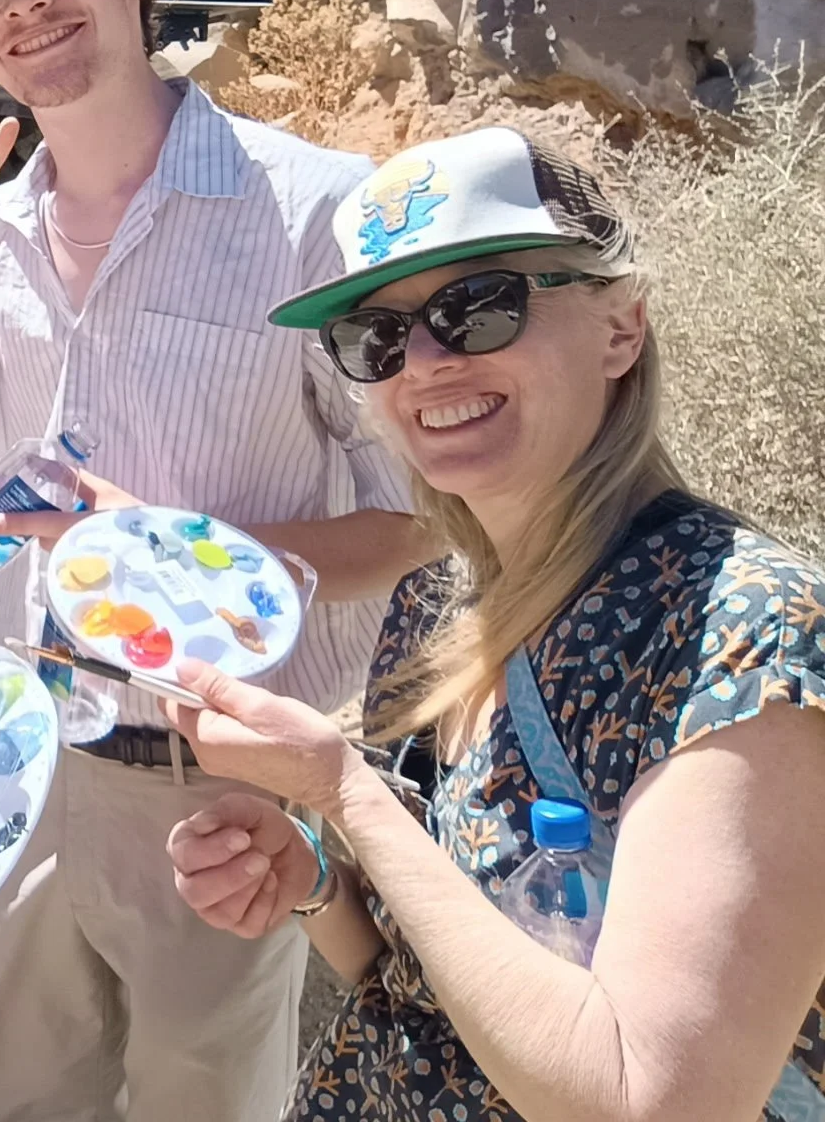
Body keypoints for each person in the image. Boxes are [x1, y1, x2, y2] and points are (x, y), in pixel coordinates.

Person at [0, 0, 431, 1122]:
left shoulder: (317, 213)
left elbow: (415, 522)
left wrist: (156, 554)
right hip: (18, 758)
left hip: (221, 785)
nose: (20, 3)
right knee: (19, 1100)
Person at [163, 127, 825, 1121]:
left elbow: (648, 1099)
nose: (421, 361)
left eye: (475, 307)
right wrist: (312, 887)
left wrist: (347, 796)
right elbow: (419, 985)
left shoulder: (744, 634)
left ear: (618, 328)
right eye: (374, 337)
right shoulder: (443, 608)